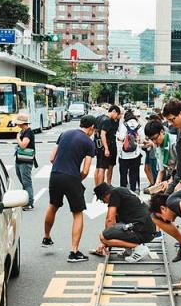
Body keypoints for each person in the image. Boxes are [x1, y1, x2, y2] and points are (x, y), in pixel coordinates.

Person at [43, 114, 97, 263]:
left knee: (53, 206)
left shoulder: (64, 134)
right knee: (77, 213)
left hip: (55, 174)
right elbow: (86, 170)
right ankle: (74, 251)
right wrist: (76, 180)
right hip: (72, 176)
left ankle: (46, 237)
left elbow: (52, 158)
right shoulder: (89, 143)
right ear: (91, 127)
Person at [90, 182, 157, 262]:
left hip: (143, 231)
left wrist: (106, 241)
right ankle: (129, 250)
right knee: (117, 224)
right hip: (146, 229)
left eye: (102, 199)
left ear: (106, 195)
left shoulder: (115, 194)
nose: (104, 202)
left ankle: (140, 248)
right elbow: (114, 221)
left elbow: (109, 219)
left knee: (103, 236)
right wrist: (106, 243)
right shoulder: (121, 191)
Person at [116, 112, 143, 192]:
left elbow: (120, 137)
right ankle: (133, 189)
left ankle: (123, 190)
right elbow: (142, 140)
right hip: (135, 154)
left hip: (123, 155)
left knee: (123, 173)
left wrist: (119, 139)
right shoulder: (139, 125)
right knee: (134, 173)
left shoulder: (124, 125)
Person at [14, 113, 37, 210]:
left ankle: (29, 202)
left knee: (26, 182)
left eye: (18, 123)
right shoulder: (23, 131)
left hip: (25, 161)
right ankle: (26, 200)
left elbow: (23, 145)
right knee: (23, 181)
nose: (17, 125)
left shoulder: (28, 132)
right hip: (20, 160)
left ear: (22, 123)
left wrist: (18, 138)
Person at [94, 105, 121, 187]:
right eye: (118, 114)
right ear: (114, 111)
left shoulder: (99, 117)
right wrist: (106, 148)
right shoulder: (107, 121)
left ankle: (97, 187)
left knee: (98, 166)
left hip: (98, 145)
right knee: (102, 168)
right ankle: (100, 188)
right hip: (106, 146)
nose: (118, 116)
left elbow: (96, 131)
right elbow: (103, 134)